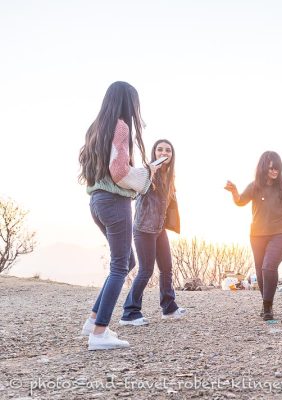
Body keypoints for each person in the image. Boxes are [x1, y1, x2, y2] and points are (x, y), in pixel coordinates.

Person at [78, 81, 158, 350]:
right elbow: (120, 172)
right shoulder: (121, 126)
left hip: (97, 201)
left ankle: (93, 320)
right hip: (114, 202)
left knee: (128, 261)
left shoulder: (96, 128)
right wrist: (147, 172)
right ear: (128, 102)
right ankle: (99, 334)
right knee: (119, 267)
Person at [119, 139, 186, 326]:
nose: (164, 153)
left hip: (159, 229)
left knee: (166, 268)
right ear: (154, 153)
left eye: (168, 151)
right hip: (143, 228)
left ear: (172, 156)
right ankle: (129, 312)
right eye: (160, 150)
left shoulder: (169, 177)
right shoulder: (147, 172)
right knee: (146, 270)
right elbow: (138, 191)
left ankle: (169, 308)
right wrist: (149, 171)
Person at [224, 151, 282, 321]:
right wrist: (234, 191)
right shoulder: (255, 186)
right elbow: (240, 201)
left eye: (277, 168)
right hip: (257, 234)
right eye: (271, 168)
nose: (274, 171)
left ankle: (267, 307)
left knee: (268, 266)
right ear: (263, 168)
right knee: (261, 269)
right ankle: (266, 304)